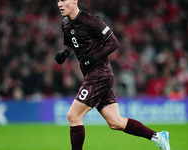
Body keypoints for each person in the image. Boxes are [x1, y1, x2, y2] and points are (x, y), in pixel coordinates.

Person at [55, 0, 171, 150]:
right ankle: (159, 137)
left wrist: (93, 58)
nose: (59, 4)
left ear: (74, 1)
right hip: (93, 75)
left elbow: (114, 42)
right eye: (58, 0)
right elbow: (70, 43)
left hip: (99, 74)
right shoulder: (65, 23)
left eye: (63, 0)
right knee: (116, 122)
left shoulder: (91, 21)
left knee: (73, 116)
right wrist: (64, 54)